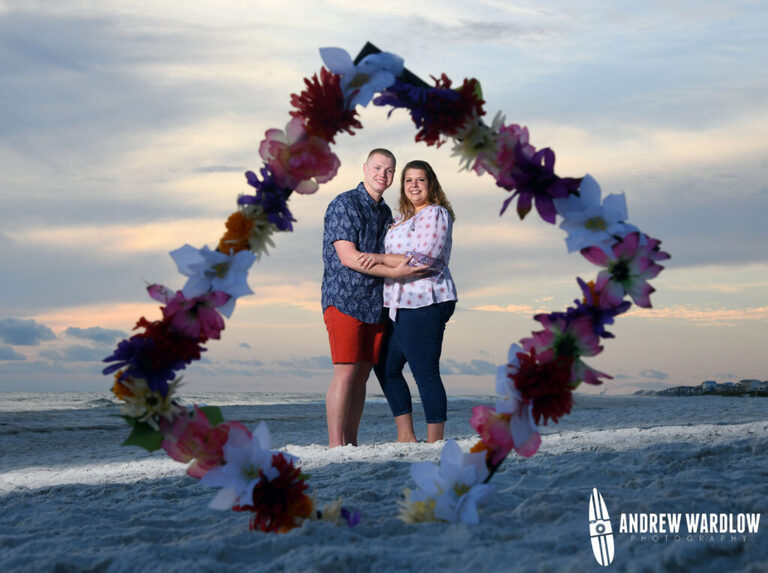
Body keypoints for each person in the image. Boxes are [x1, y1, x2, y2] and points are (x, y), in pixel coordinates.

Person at [321, 149, 427, 448]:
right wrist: (395, 270)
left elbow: (383, 257)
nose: (383, 174)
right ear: (365, 168)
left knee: (362, 375)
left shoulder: (385, 213)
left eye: (389, 170)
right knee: (345, 372)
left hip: (374, 302)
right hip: (344, 298)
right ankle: (335, 445)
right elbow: (349, 257)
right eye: (378, 167)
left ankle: (350, 443)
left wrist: (391, 264)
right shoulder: (344, 203)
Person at [367, 160, 458, 443]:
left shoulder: (435, 213)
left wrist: (380, 259)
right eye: (408, 180)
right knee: (385, 367)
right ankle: (406, 435)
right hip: (397, 303)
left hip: (425, 300)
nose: (414, 185)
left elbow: (424, 259)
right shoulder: (401, 219)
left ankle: (435, 440)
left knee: (424, 371)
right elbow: (406, 257)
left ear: (431, 184)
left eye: (420, 180)